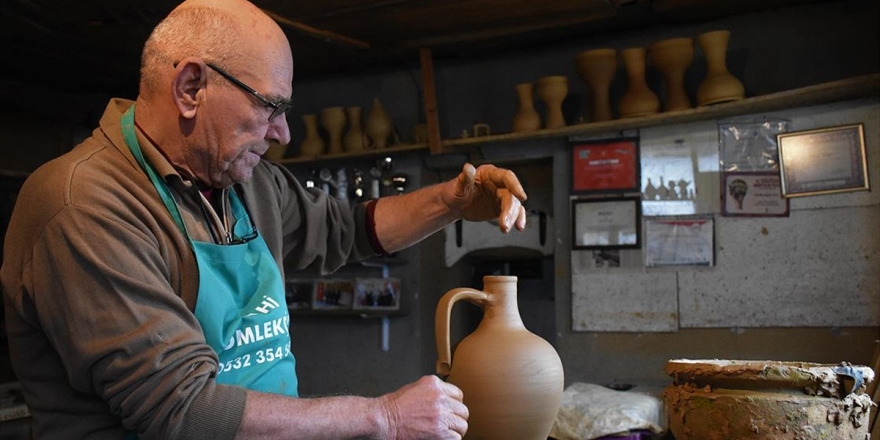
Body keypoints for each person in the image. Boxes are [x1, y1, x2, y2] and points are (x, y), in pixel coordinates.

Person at [1, 0, 529, 439]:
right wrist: (384, 417)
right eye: (270, 107)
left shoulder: (243, 181)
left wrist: (453, 200)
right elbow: (178, 408)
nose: (283, 134)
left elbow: (347, 230)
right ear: (190, 88)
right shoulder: (84, 204)